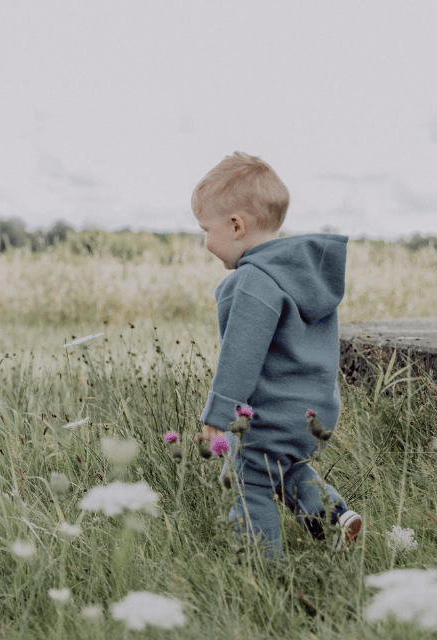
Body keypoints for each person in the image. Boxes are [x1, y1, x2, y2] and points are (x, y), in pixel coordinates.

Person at [190, 151, 361, 557]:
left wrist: (219, 414)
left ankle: (262, 567)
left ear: (236, 225)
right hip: (311, 413)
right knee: (285, 469)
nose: (206, 241)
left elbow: (241, 356)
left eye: (205, 229)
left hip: (270, 411)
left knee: (250, 482)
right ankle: (335, 518)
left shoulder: (254, 281)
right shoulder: (301, 275)